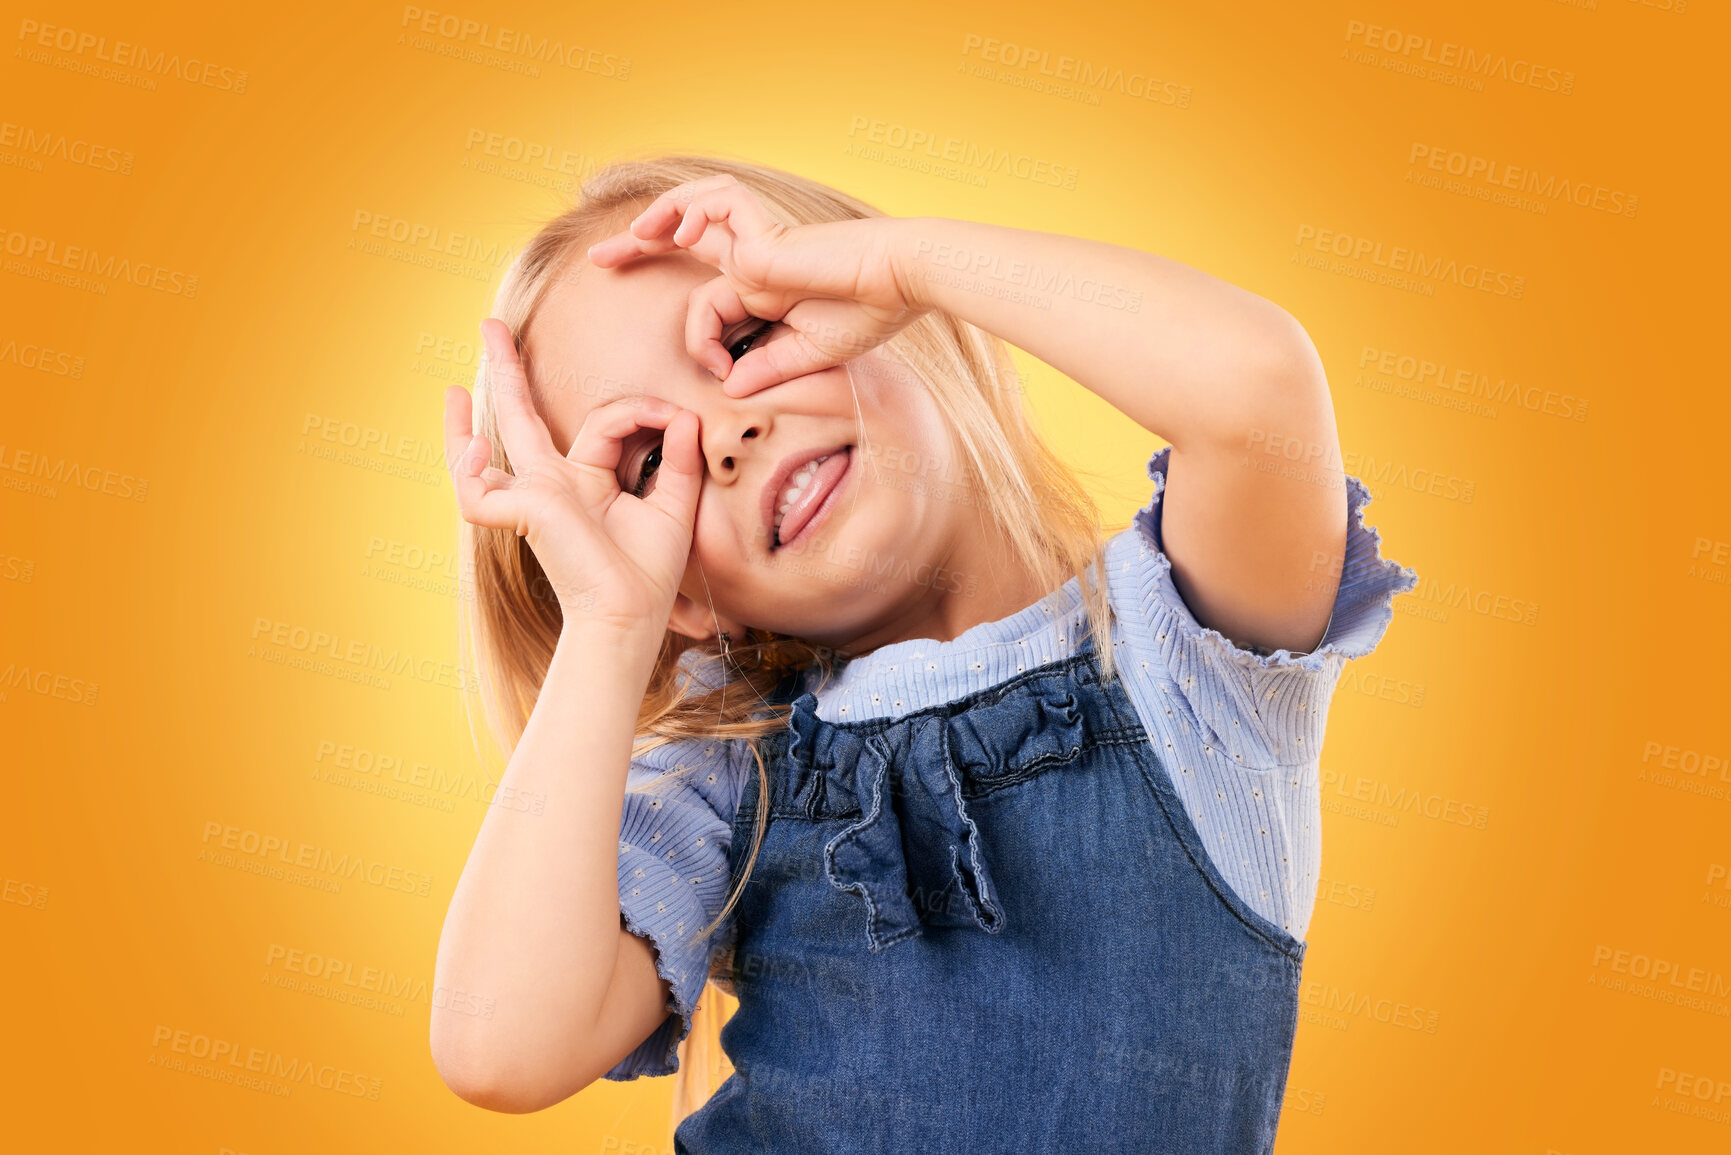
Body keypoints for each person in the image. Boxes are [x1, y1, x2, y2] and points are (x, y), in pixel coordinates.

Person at [429, 153, 1418, 1153]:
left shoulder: (1188, 671)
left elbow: (1258, 392)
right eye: (651, 464)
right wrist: (609, 619)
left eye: (749, 333)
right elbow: (495, 1047)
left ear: (882, 308)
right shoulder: (731, 774)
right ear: (684, 596)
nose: (726, 437)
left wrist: (911, 263)